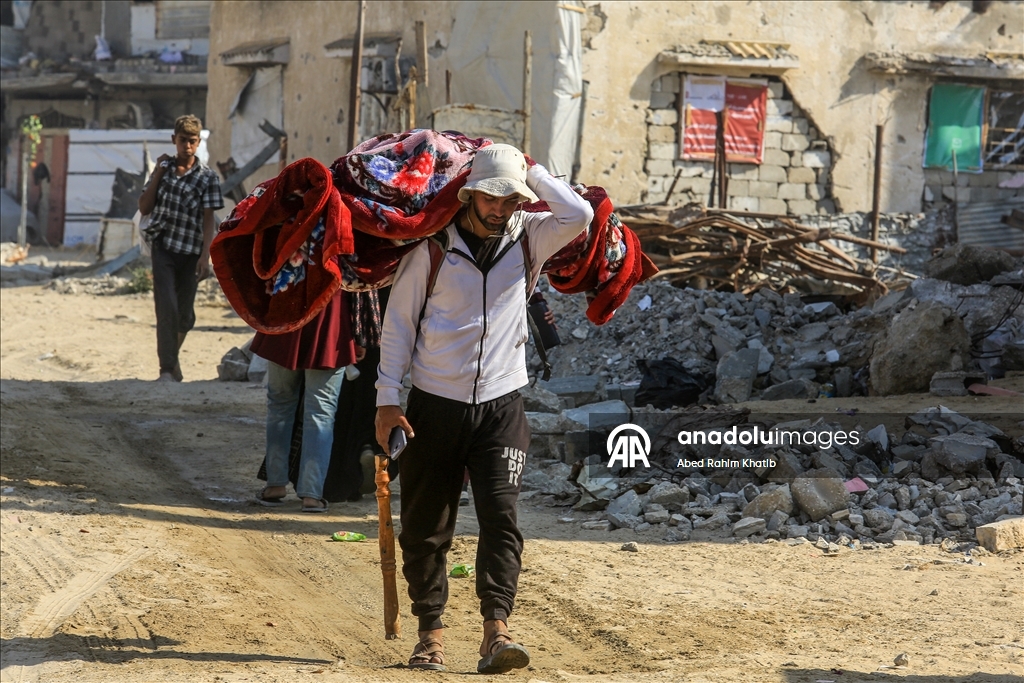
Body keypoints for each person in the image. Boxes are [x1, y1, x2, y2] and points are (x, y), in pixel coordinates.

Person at [375, 144, 593, 673]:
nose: (500, 209)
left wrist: (531, 171)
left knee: (502, 519)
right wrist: (386, 399)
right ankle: (430, 635)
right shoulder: (432, 250)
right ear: (468, 194)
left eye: (510, 199)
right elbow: (398, 326)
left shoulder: (530, 239)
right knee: (425, 526)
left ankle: (497, 632)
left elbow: (579, 214)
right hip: (434, 405)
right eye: (491, 197)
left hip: (502, 405)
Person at [253, 289, 363, 512]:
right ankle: (312, 495)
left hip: (286, 314)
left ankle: (275, 485)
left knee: (280, 405)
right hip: (330, 320)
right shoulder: (339, 261)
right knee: (321, 412)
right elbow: (359, 284)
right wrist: (360, 335)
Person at [138, 114, 223, 382]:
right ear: (174, 139)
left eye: (192, 141)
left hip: (191, 252)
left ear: (198, 143)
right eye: (183, 140)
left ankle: (172, 361)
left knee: (184, 315)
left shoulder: (207, 178)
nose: (187, 146)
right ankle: (166, 369)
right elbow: (144, 207)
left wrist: (205, 256)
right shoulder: (162, 171)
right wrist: (158, 172)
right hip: (163, 248)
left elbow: (208, 220)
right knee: (167, 308)